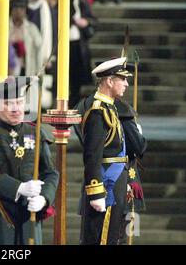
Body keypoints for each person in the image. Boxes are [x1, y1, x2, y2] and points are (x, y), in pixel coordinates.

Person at [0, 77, 59, 245]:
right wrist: (19, 188)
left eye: (19, 102)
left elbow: (50, 172)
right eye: (8, 103)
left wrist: (44, 199)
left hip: (30, 211)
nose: (15, 109)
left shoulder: (36, 132)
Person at [77, 56, 131, 245]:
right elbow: (92, 155)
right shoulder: (97, 112)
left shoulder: (109, 108)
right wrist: (96, 192)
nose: (126, 84)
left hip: (115, 183)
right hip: (105, 185)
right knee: (100, 238)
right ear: (109, 81)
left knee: (111, 238)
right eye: (122, 79)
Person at [115, 98, 147, 244]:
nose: (126, 84)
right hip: (126, 178)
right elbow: (139, 146)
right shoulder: (124, 112)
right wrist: (139, 135)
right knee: (125, 235)